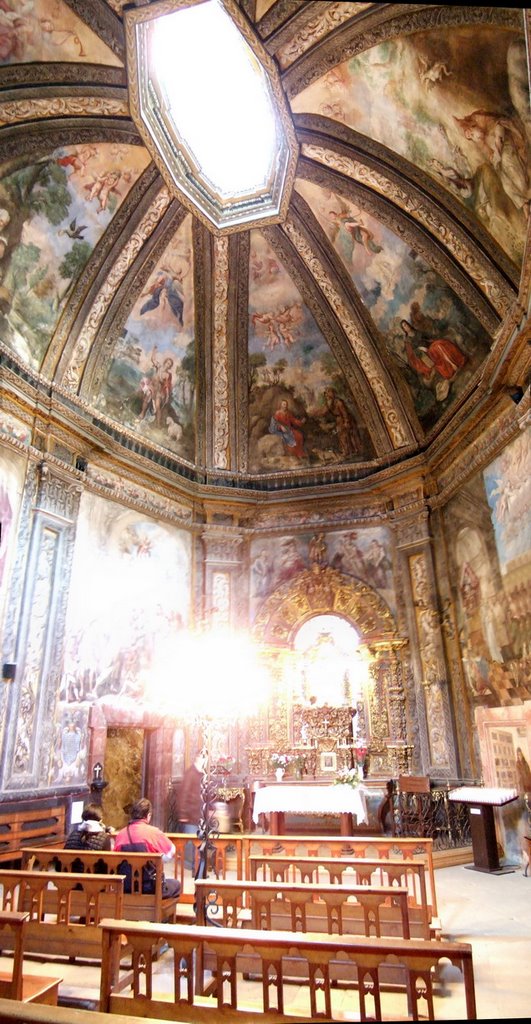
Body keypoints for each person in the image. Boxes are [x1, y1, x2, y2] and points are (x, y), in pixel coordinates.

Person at [114, 797, 181, 898]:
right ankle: (162, 913)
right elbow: (170, 852)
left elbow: (116, 860)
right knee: (176, 884)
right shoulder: (153, 832)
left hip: (126, 887)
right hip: (149, 888)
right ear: (148, 815)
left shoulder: (121, 834)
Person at [179, 751, 206, 871]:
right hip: (191, 814)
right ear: (199, 758)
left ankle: (197, 866)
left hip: (198, 814)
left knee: (198, 841)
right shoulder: (191, 773)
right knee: (190, 842)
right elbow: (183, 794)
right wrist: (183, 813)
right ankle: (190, 866)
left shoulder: (201, 773)